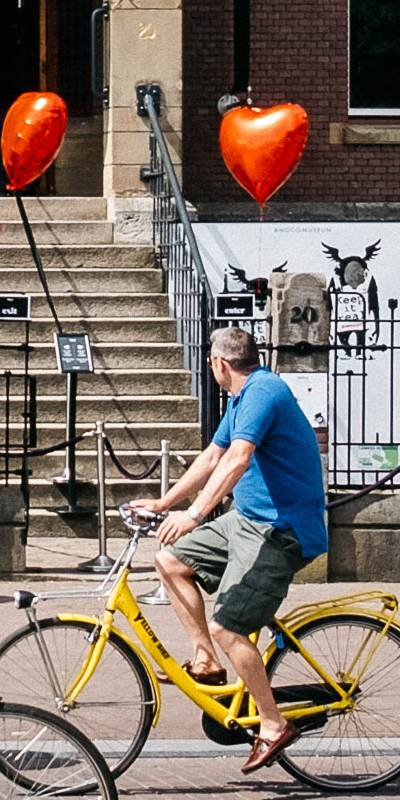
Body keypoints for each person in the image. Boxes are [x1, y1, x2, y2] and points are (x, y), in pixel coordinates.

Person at [128, 323, 330, 775]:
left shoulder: (264, 392)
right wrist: (163, 503)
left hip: (281, 531)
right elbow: (212, 456)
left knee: (228, 626)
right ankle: (206, 662)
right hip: (247, 521)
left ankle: (273, 724)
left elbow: (238, 458)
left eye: (210, 363)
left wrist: (194, 514)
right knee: (170, 561)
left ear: (220, 363)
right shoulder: (241, 399)